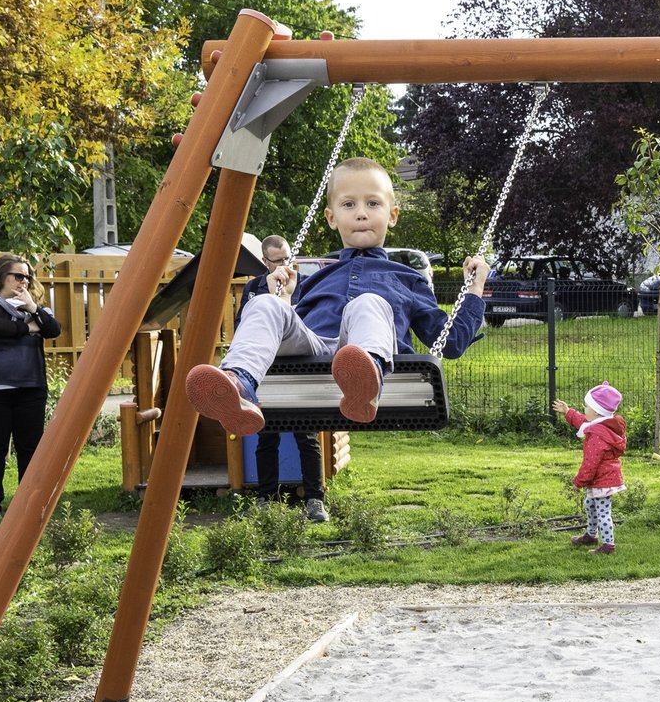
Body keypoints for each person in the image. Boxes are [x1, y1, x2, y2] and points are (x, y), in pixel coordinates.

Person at [186, 156, 488, 434]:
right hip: (315, 349)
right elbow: (281, 331)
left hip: (374, 348)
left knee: (368, 302)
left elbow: (450, 342)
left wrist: (474, 290)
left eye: (373, 203)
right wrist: (284, 300)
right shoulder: (315, 279)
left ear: (392, 215)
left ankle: (365, 378)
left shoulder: (408, 279)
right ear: (331, 217)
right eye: (349, 204)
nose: (361, 214)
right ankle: (239, 384)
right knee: (264, 302)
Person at [0, 254, 62, 518]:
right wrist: (29, 328)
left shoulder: (33, 308)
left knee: (31, 448)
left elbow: (53, 330)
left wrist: (32, 308)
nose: (24, 281)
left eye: (28, 276)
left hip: (31, 388)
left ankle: (27, 502)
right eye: (18, 276)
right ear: (1, 276)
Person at [237, 234, 327, 523]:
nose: (284, 265)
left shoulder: (304, 284)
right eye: (277, 261)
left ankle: (315, 500)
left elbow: (316, 326)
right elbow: (242, 326)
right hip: (269, 372)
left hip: (301, 371)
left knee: (307, 437)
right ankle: (267, 499)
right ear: (265, 261)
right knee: (266, 437)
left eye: (288, 258)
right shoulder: (253, 289)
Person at [552, 382, 626, 555]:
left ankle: (608, 546)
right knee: (590, 505)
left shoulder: (597, 436)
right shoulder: (604, 424)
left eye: (587, 406)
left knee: (603, 512)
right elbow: (583, 422)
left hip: (603, 480)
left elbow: (590, 464)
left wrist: (579, 482)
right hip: (603, 478)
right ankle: (591, 536)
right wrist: (568, 411)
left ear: (596, 411)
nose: (584, 409)